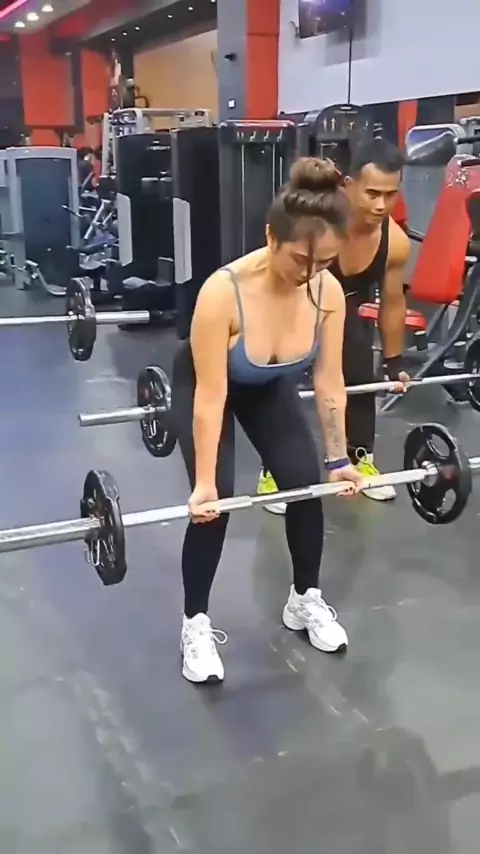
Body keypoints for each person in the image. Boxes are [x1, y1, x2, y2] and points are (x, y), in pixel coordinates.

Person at [171, 157, 364, 684]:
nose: (310, 273)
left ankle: (304, 599)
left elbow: (329, 379)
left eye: (324, 262)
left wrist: (339, 458)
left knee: (304, 485)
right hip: (207, 381)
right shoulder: (223, 292)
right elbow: (211, 396)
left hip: (266, 384)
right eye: (301, 258)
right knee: (217, 505)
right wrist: (205, 485)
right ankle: (195, 622)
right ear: (271, 237)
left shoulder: (326, 293)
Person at [258, 137, 411, 513]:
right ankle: (274, 470)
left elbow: (393, 302)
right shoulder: (314, 222)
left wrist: (394, 362)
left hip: (344, 306)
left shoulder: (395, 242)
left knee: (358, 365)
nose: (381, 205)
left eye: (390, 195)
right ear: (349, 184)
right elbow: (274, 276)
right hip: (293, 297)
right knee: (281, 379)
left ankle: (360, 458)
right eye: (372, 193)